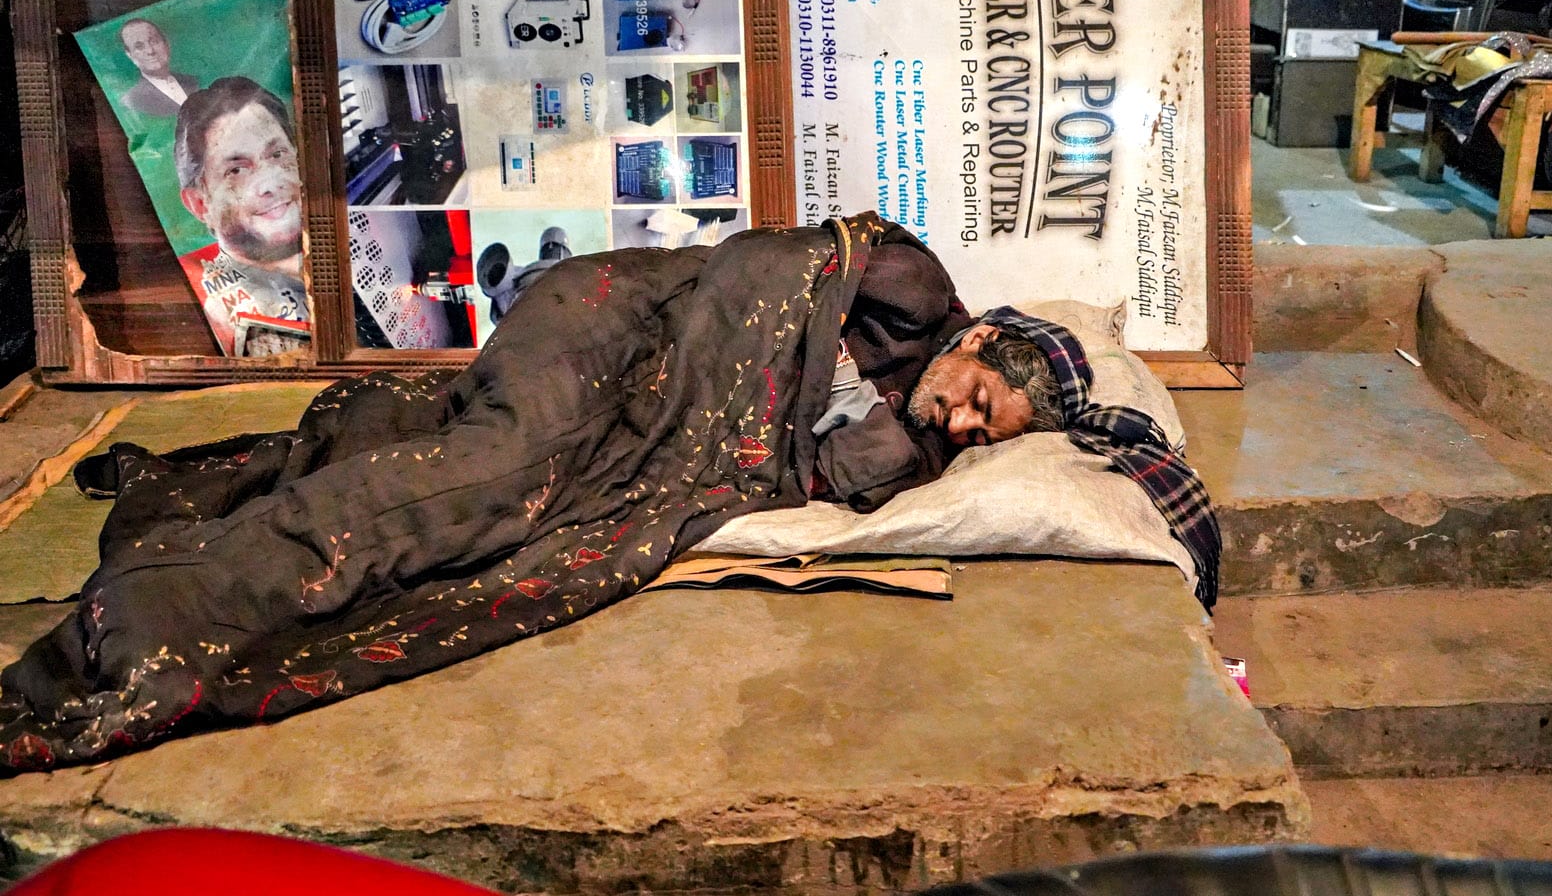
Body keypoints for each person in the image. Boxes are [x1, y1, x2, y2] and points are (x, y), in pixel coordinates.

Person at [0, 214, 1218, 774]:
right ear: (983, 339)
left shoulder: (916, 442)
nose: (959, 420)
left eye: (982, 432)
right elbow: (756, 278)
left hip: (640, 424)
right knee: (487, 482)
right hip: (613, 322)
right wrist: (738, 420)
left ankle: (211, 568)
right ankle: (149, 625)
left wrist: (867, 436)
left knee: (513, 547)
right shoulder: (910, 288)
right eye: (975, 397)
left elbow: (820, 470)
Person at [174, 77, 310, 356]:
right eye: (236, 171)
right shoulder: (209, 312)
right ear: (199, 204)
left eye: (277, 154)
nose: (270, 183)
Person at [116, 19, 200, 118]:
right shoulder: (133, 100)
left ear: (166, 44)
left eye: (154, 42)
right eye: (139, 47)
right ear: (130, 55)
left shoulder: (193, 82)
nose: (150, 51)